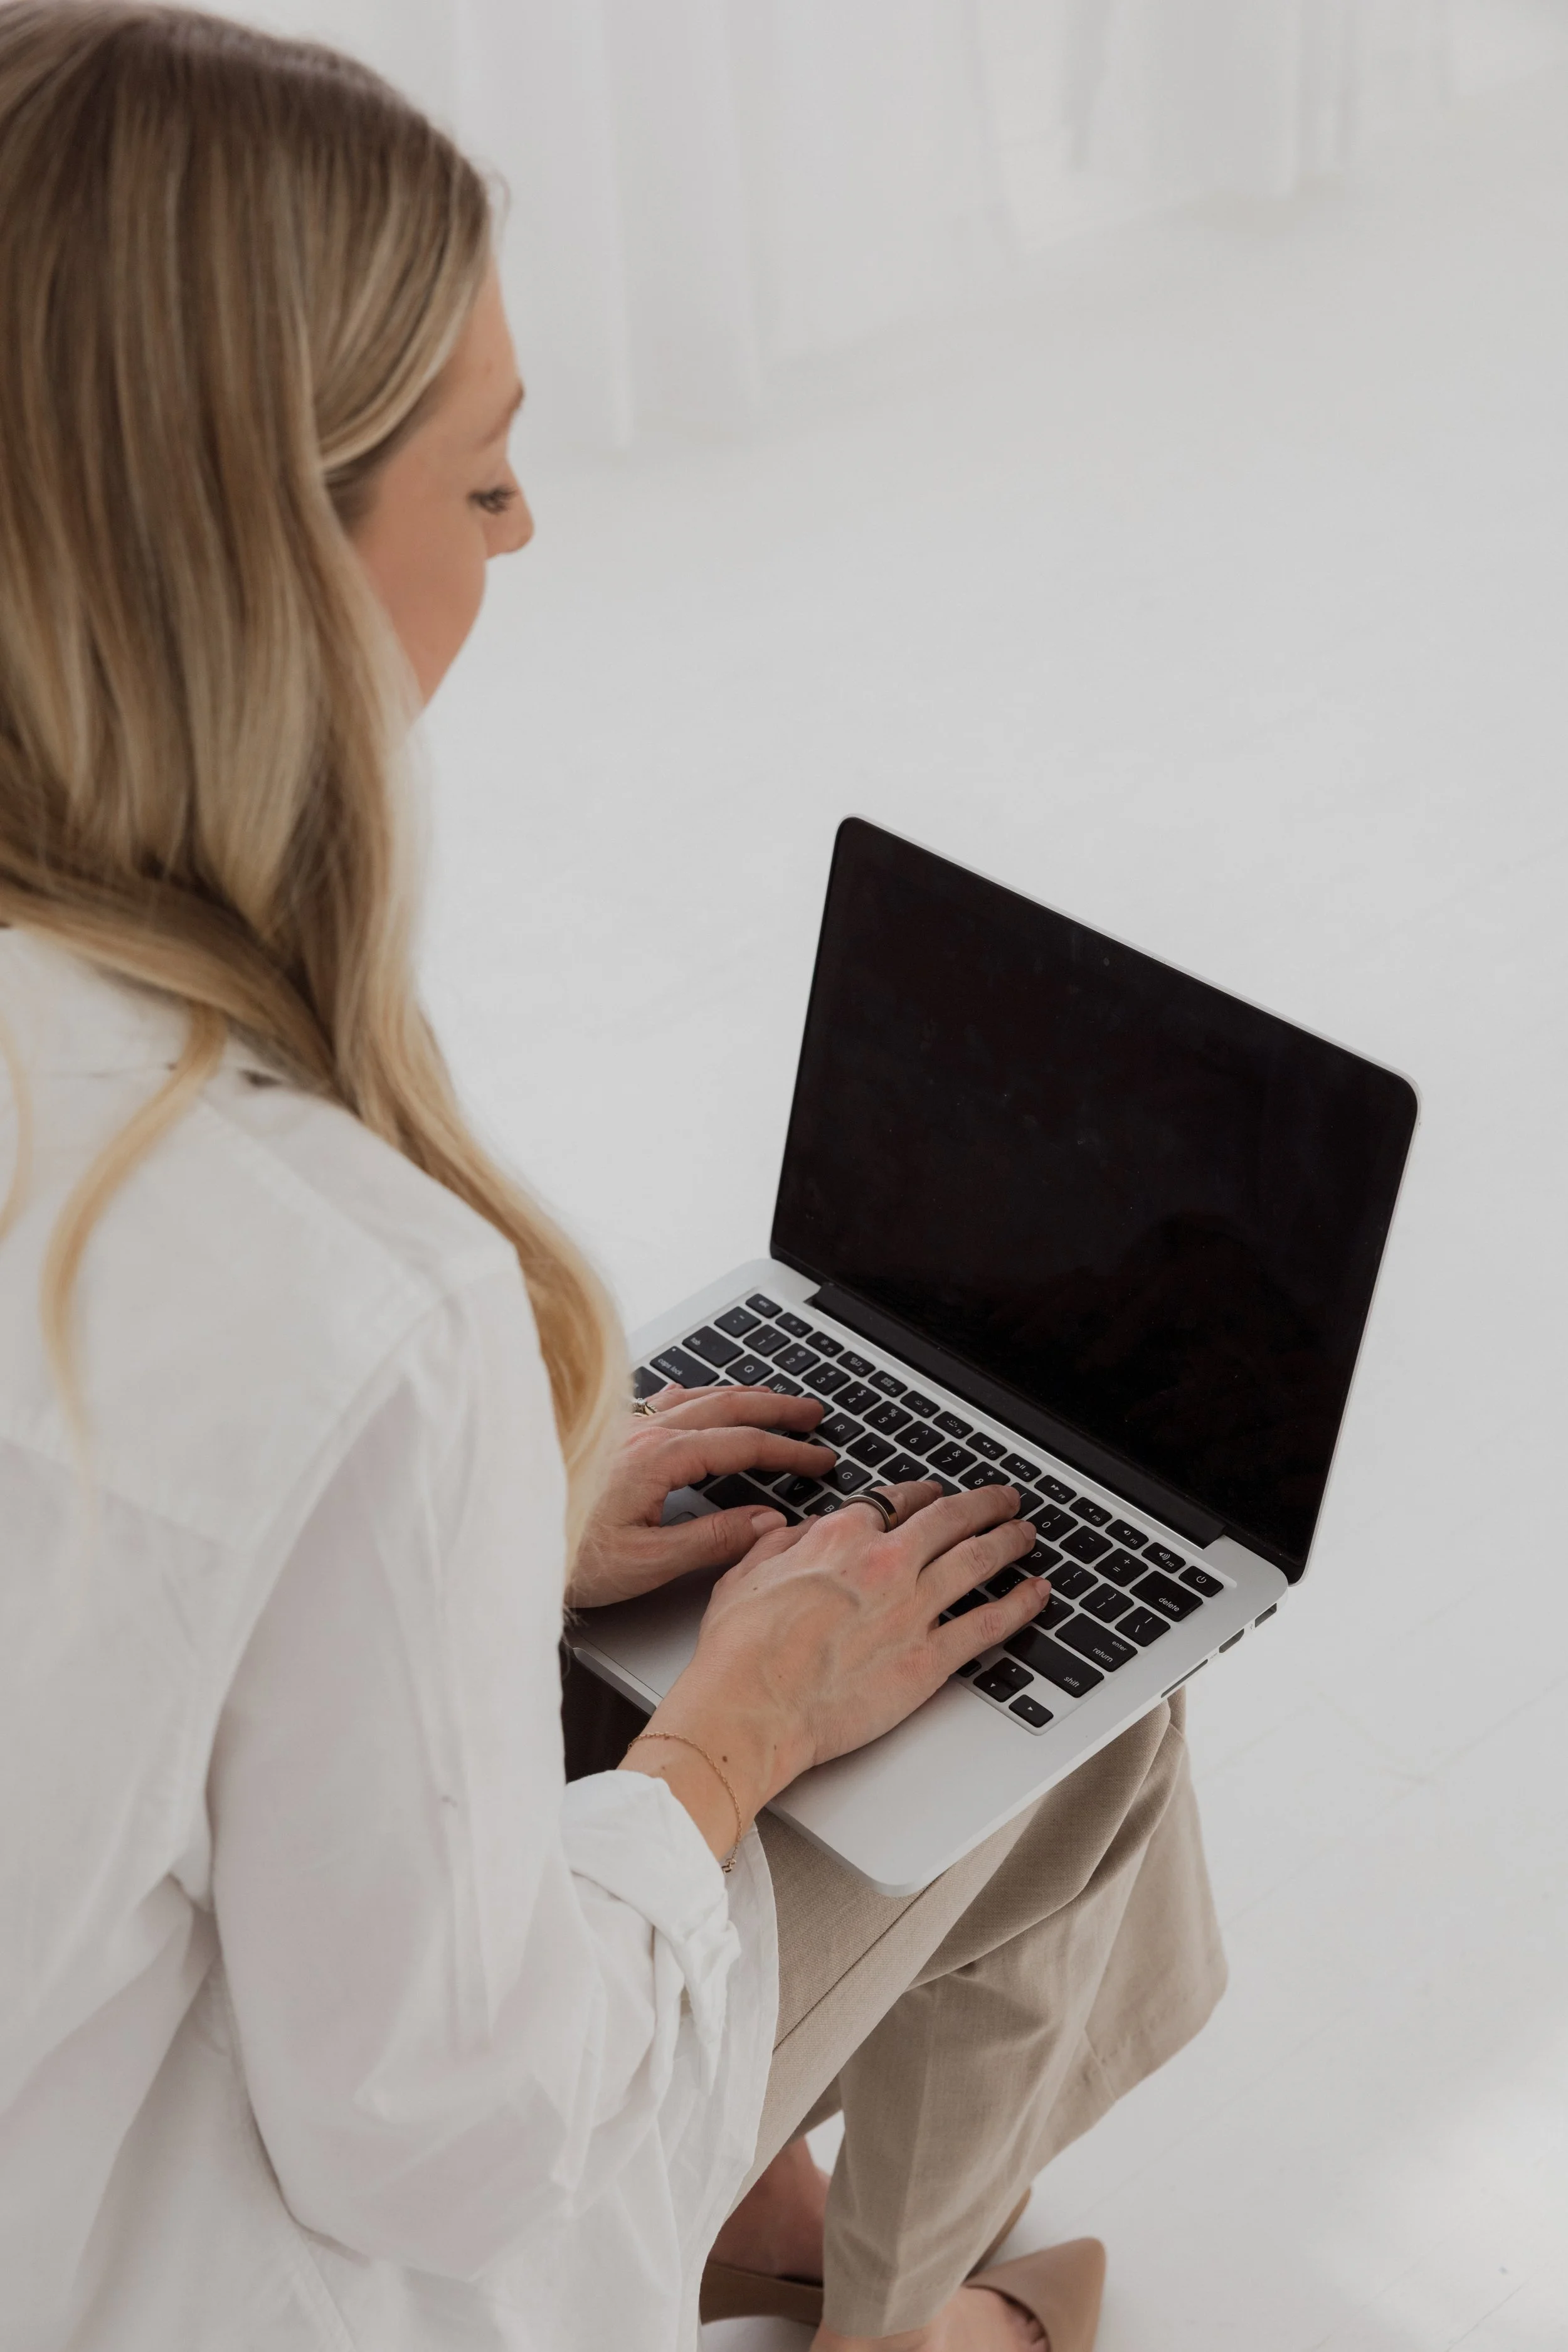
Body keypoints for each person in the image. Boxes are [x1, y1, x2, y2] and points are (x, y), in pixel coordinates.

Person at [0, 9, 1226, 2350]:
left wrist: (477, 1547)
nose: (528, 532)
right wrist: (730, 1729)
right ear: (266, 564)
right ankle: (898, 2310)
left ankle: (775, 2206)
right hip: (223, 2272)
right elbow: (432, 2137)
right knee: (1078, 1690)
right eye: (477, 486)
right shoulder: (348, 1283)